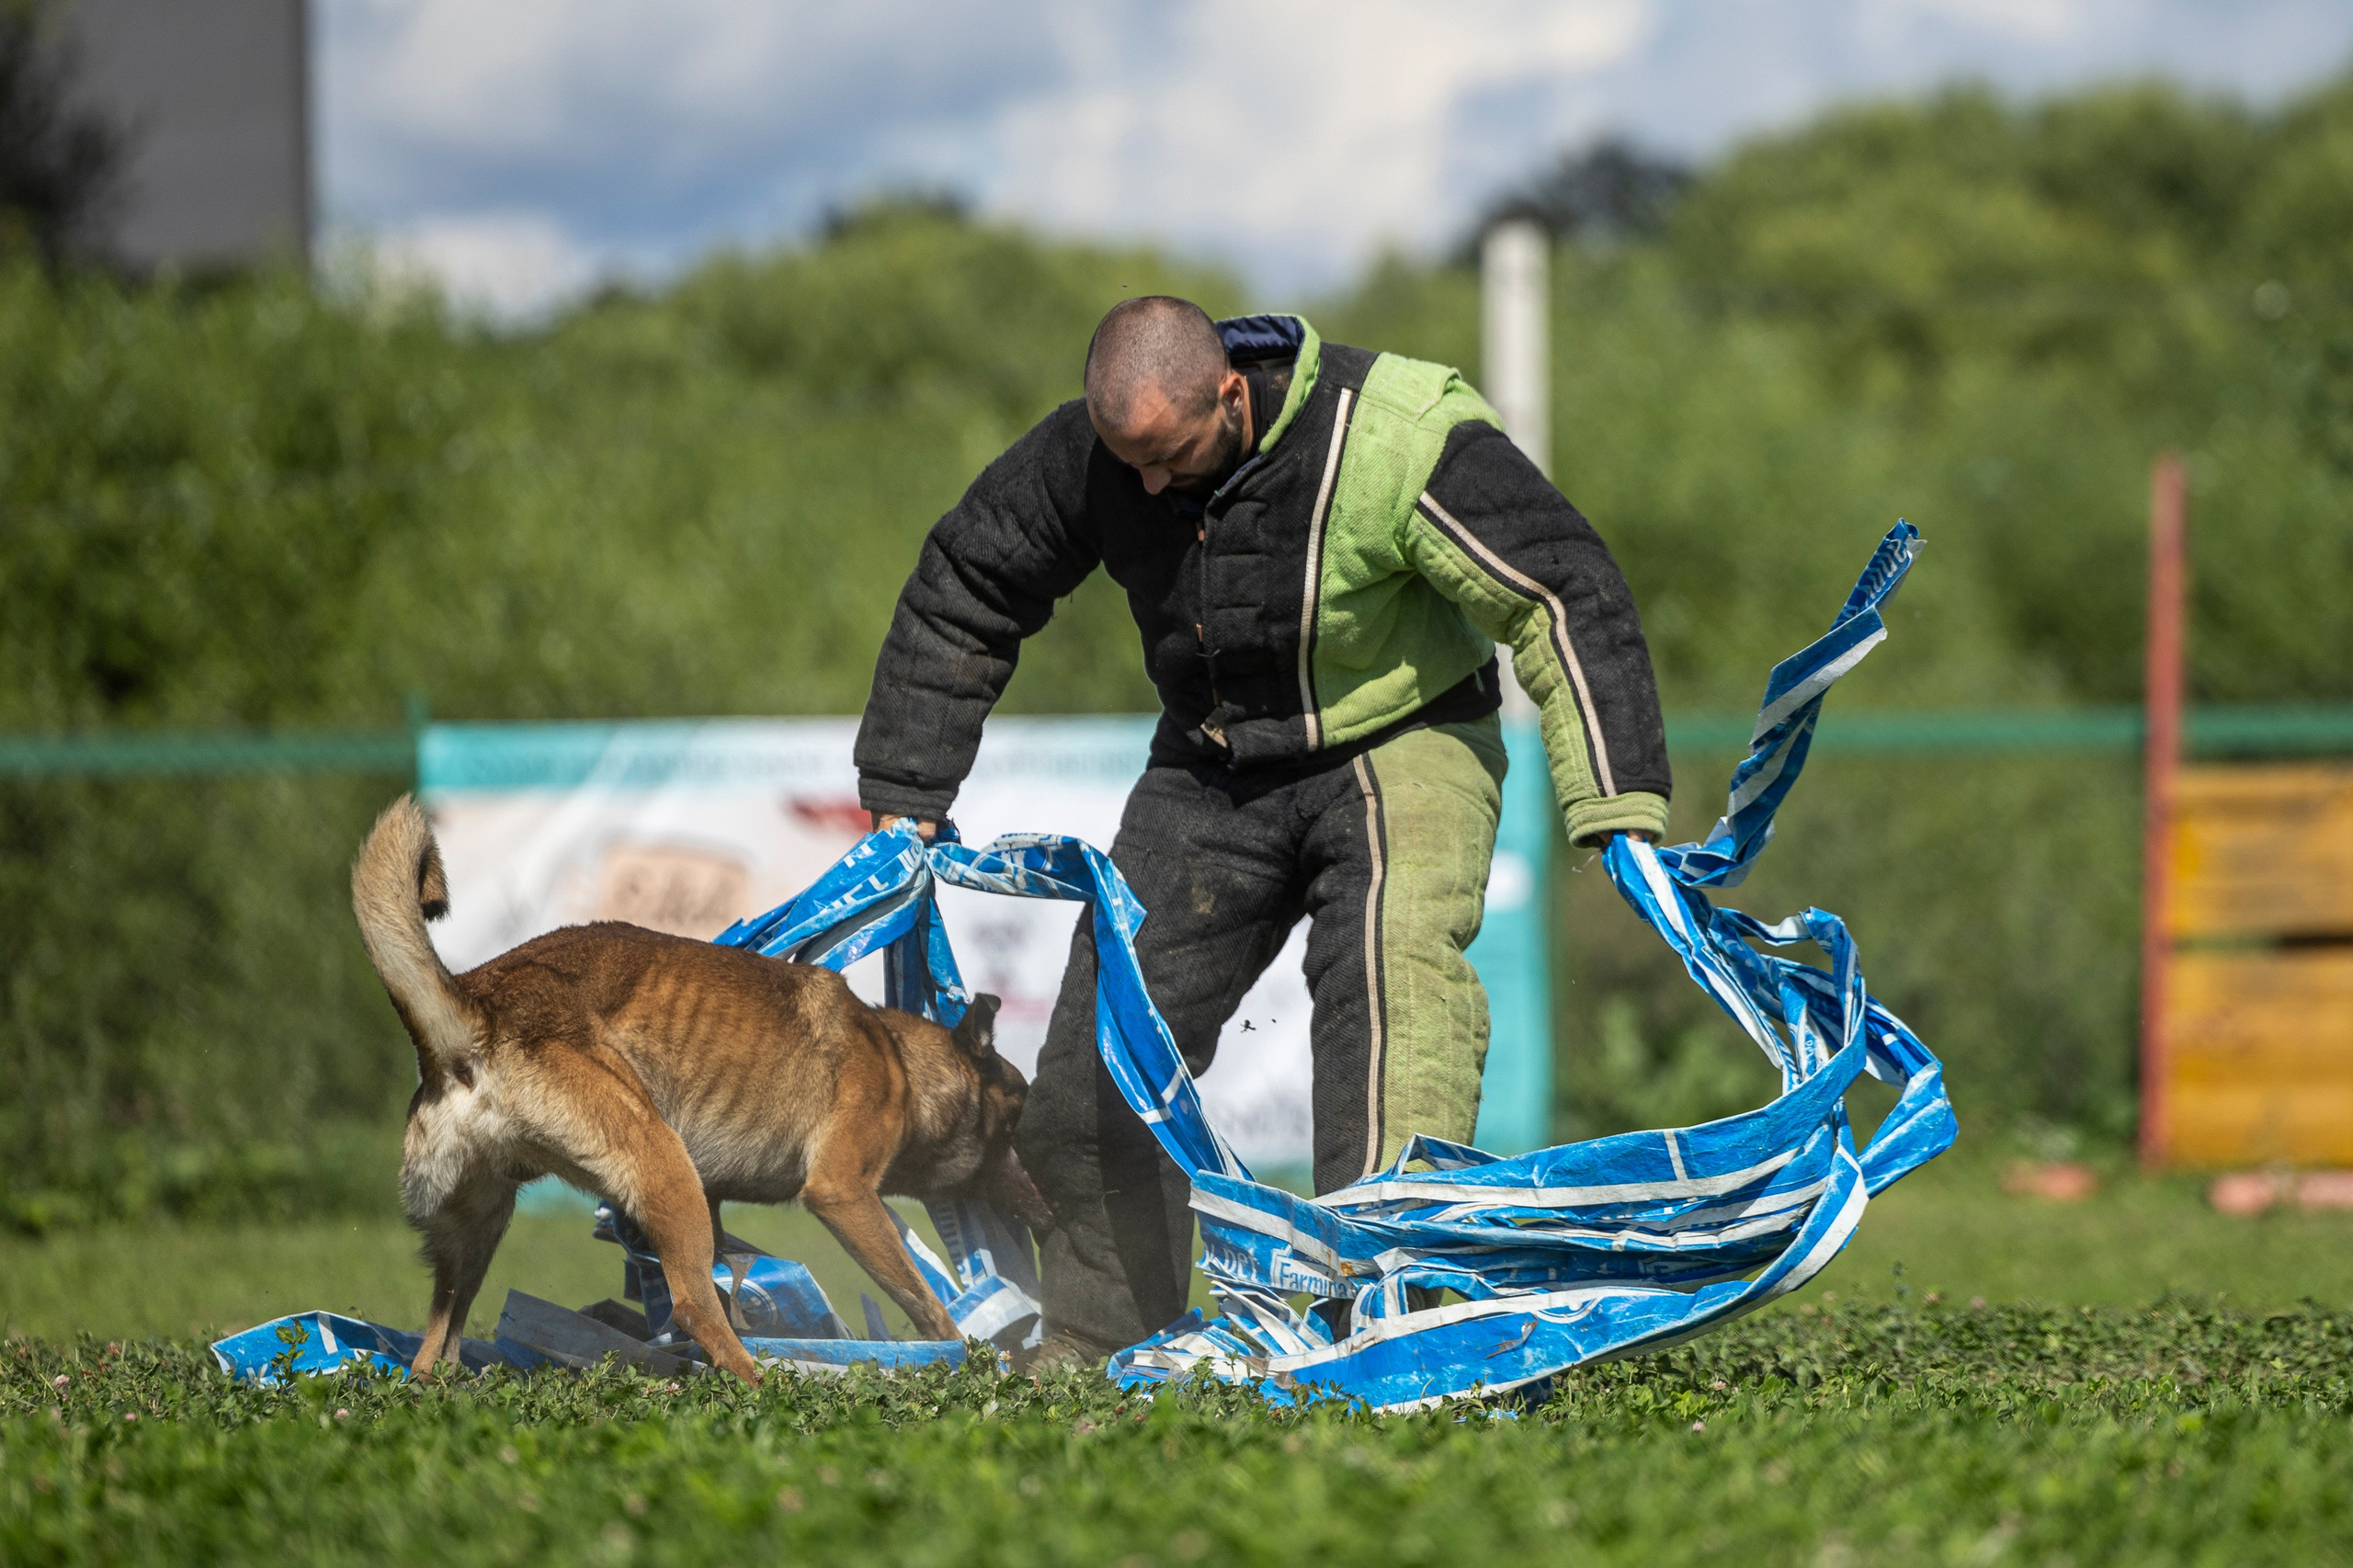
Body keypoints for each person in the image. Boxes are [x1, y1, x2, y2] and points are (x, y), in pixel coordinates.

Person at [855, 299, 1669, 1368]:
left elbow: (1561, 590)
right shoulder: (1095, 456)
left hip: (1403, 739)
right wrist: (909, 780)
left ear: (1230, 394)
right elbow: (968, 582)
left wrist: (1612, 804)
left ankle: (1388, 1331)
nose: (1146, 486)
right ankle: (1100, 1339)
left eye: (1168, 457)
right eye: (1126, 462)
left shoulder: (1393, 437)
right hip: (1213, 763)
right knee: (1095, 1064)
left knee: (1390, 1007)